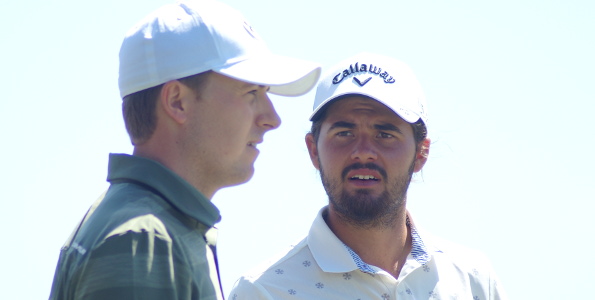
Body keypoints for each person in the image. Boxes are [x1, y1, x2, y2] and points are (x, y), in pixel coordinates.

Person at [48, 1, 320, 299]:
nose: (272, 119)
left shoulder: (153, 230)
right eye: (251, 92)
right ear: (177, 101)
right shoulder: (145, 241)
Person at [229, 52, 507, 299]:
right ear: (313, 151)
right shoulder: (263, 291)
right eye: (344, 133)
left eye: (385, 134)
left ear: (421, 153)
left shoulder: (471, 280)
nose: (363, 152)